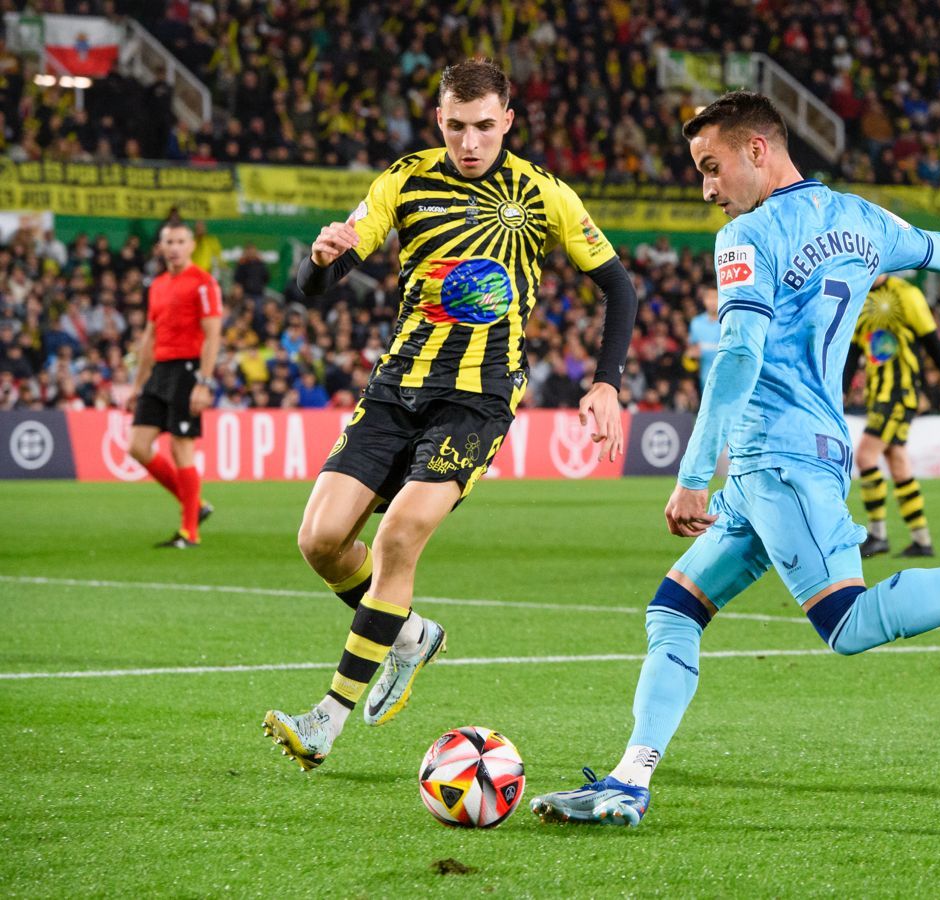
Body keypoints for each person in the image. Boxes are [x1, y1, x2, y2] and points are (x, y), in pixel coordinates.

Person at [527, 90, 940, 827]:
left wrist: (692, 477)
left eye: (712, 167)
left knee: (848, 623)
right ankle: (629, 780)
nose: (707, 189)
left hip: (779, 460)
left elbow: (738, 356)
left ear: (758, 150)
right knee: (674, 610)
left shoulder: (747, 236)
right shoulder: (862, 219)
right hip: (791, 459)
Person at [262, 58, 640, 771]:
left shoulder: (543, 193)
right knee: (320, 541)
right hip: (396, 386)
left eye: (485, 126)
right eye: (458, 126)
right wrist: (318, 258)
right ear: (439, 119)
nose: (471, 141)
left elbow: (618, 288)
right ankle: (410, 638)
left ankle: (326, 720)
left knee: (399, 535)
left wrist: (606, 382)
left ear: (508, 121)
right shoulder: (404, 180)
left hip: (478, 398)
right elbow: (319, 282)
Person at [843, 273, 940, 558]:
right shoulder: (859, 295)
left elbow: (931, 339)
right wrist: (842, 389)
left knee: (865, 457)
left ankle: (878, 535)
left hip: (899, 393)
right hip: (877, 394)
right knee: (898, 463)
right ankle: (922, 541)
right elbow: (854, 349)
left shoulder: (907, 294)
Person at [127, 221, 221, 548]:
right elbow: (150, 337)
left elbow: (213, 335)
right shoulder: (157, 285)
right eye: (169, 242)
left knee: (181, 448)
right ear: (160, 247)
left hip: (188, 370)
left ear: (191, 245)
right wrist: (137, 385)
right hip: (160, 371)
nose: (174, 247)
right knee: (137, 446)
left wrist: (203, 382)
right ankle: (195, 505)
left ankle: (189, 532)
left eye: (180, 241)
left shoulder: (204, 283)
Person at [686, 284, 719, 392]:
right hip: (705, 379)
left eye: (715, 297)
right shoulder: (696, 323)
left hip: (728, 376)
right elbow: (692, 351)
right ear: (704, 300)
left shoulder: (728, 322)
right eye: (709, 298)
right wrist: (691, 355)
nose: (712, 301)